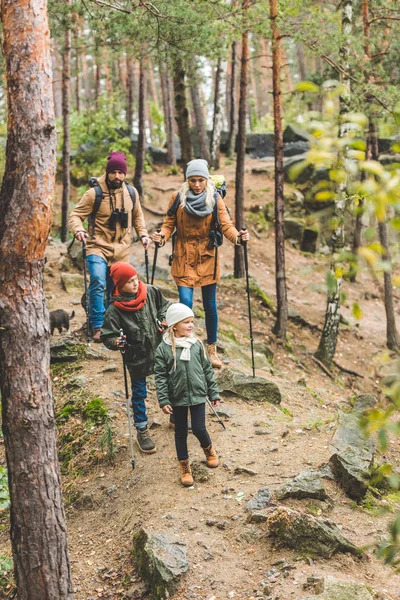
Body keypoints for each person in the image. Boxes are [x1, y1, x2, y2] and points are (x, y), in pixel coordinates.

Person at [152, 159, 249, 368]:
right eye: (193, 180)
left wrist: (238, 238)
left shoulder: (214, 199)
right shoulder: (178, 198)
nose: (197, 185)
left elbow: (226, 225)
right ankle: (185, 346)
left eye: (201, 180)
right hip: (184, 256)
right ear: (187, 180)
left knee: (210, 306)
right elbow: (168, 224)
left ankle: (211, 350)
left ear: (207, 179)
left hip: (207, 257)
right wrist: (162, 236)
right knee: (185, 304)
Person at [69, 151, 151, 342]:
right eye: (113, 172)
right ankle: (98, 326)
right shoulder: (94, 193)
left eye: (120, 172)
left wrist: (144, 235)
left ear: (125, 174)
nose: (117, 176)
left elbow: (138, 217)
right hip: (97, 246)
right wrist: (79, 230)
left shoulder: (131, 193)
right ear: (107, 172)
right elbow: (75, 215)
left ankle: (111, 323)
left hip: (121, 250)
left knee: (116, 287)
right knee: (98, 280)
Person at [100, 262, 169, 454]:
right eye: (130, 281)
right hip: (136, 356)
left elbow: (165, 306)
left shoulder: (151, 292)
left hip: (160, 350)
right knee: (139, 393)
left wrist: (163, 320)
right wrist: (117, 342)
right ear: (119, 285)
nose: (135, 284)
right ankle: (142, 429)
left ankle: (176, 416)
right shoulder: (115, 310)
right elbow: (107, 335)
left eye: (136, 279)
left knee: (170, 382)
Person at [154, 303, 220, 486]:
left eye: (192, 322)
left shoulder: (196, 344)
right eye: (186, 322)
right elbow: (160, 376)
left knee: (199, 428)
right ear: (174, 325)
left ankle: (209, 450)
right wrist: (164, 399)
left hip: (198, 394)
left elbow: (207, 369)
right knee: (181, 431)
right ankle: (184, 466)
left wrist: (213, 392)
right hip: (178, 396)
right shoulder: (164, 349)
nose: (191, 326)